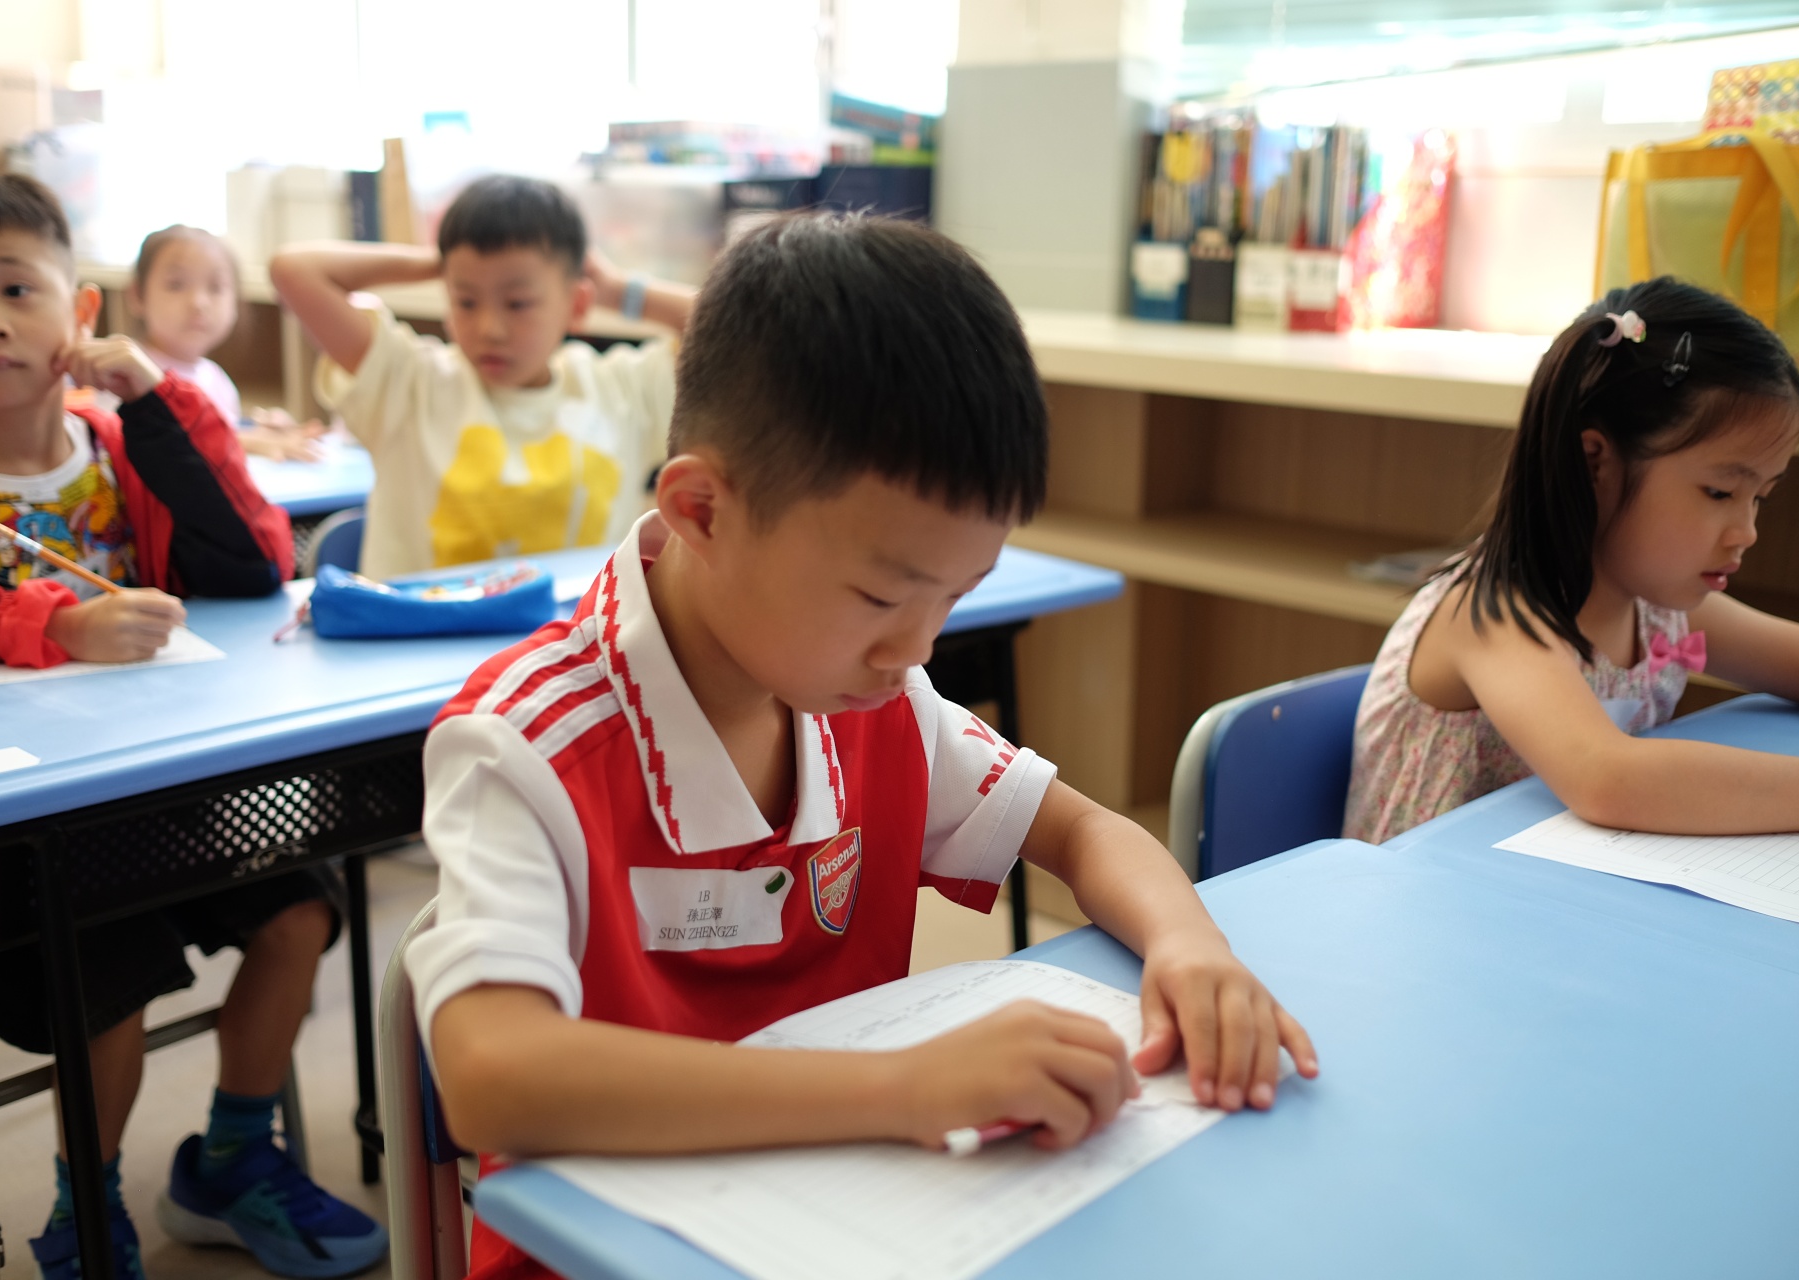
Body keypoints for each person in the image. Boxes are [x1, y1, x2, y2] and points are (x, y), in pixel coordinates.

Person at [412, 213, 1320, 1280]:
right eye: (883, 597)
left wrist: (1189, 947)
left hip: (862, 1222)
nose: (916, 649)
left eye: (955, 597)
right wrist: (906, 1087)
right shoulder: (523, 745)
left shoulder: (870, 697)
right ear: (702, 510)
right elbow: (491, 1075)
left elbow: (1082, 832)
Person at [0, 173, 387, 1280]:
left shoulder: (126, 447)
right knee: (104, 976)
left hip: (155, 802)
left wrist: (163, 404)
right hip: (4, 844)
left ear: (82, 312)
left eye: (17, 288)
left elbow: (255, 564)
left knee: (302, 908)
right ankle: (87, 1208)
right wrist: (49, 622)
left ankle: (229, 1160)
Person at [1345, 277, 1799, 845]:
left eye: (1760, 498)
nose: (1747, 532)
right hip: (1424, 894)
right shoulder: (1494, 613)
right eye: (1720, 492)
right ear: (1594, 462)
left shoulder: (1659, 610)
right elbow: (1608, 778)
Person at [270, 174, 697, 579]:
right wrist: (440, 260)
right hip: (425, 630)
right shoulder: (409, 382)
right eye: (466, 301)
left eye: (518, 303)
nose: (490, 328)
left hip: (577, 632)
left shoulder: (621, 391)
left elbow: (730, 325)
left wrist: (617, 290)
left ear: (577, 303)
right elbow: (295, 271)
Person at [128, 224, 328, 462]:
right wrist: (250, 442)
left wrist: (260, 429)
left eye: (215, 287)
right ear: (137, 295)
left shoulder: (215, 378)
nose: (198, 302)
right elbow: (166, 444)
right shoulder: (129, 370)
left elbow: (218, 431)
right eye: (176, 285)